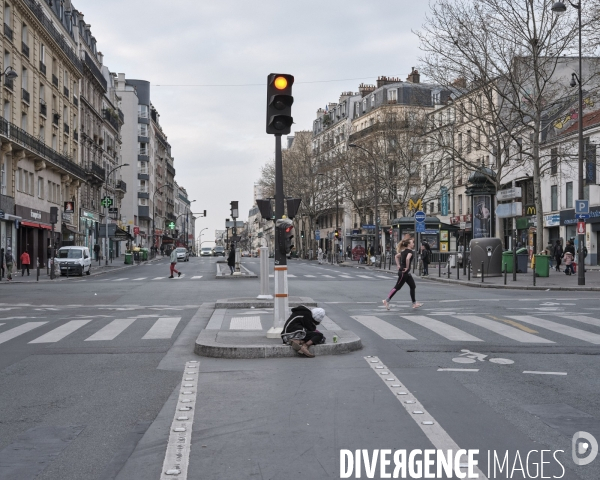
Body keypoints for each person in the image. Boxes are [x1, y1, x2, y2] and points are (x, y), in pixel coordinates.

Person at [383, 238, 422, 310]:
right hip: (404, 273)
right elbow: (407, 259)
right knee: (397, 287)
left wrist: (398, 265)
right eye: (412, 243)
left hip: (405, 273)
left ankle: (414, 303)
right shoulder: (410, 252)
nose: (413, 244)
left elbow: (396, 256)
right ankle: (386, 300)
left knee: (413, 286)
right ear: (409, 244)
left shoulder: (404, 252)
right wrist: (407, 267)